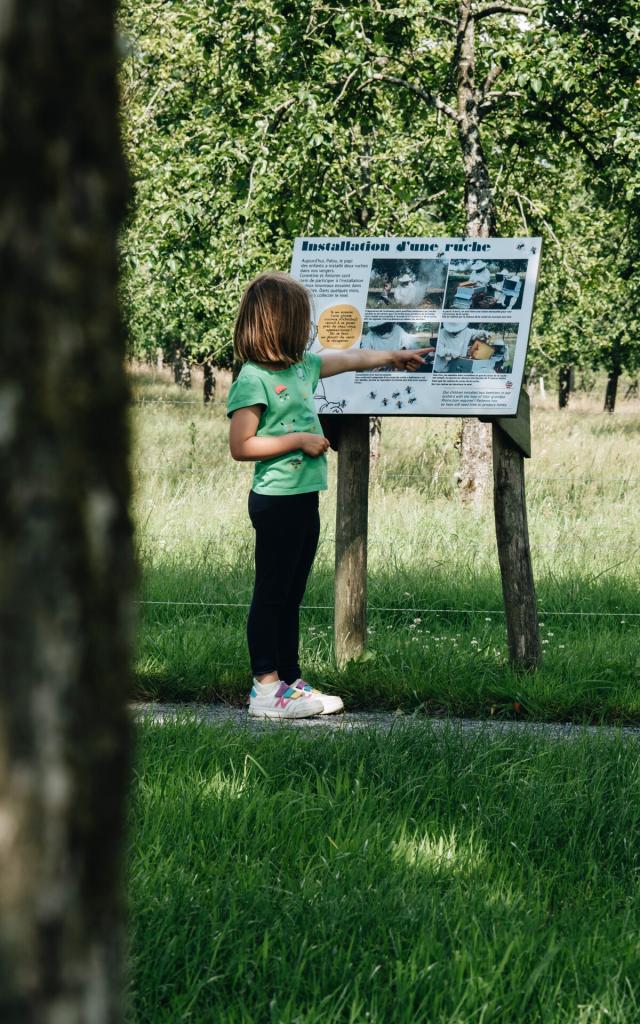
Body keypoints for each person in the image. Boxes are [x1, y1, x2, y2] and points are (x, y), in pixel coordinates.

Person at [227, 271, 429, 719]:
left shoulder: (303, 367)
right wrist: (298, 439)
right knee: (271, 592)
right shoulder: (253, 379)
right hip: (275, 500)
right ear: (278, 325)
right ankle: (265, 688)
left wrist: (393, 355)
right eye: (303, 321)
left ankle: (289, 680)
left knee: (292, 592)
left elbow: (351, 358)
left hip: (303, 498)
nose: (310, 330)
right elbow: (242, 446)